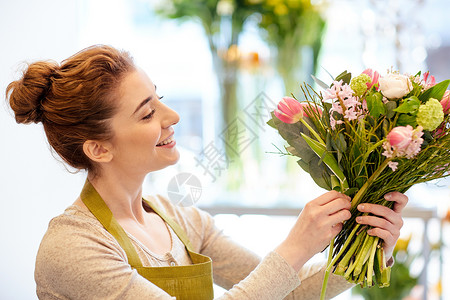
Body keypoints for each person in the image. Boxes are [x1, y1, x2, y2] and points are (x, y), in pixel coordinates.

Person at [6, 45, 407, 300]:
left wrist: (370, 248)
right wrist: (296, 246)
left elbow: (287, 293)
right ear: (98, 148)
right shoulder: (74, 248)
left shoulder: (180, 218)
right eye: (147, 113)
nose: (172, 116)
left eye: (159, 99)